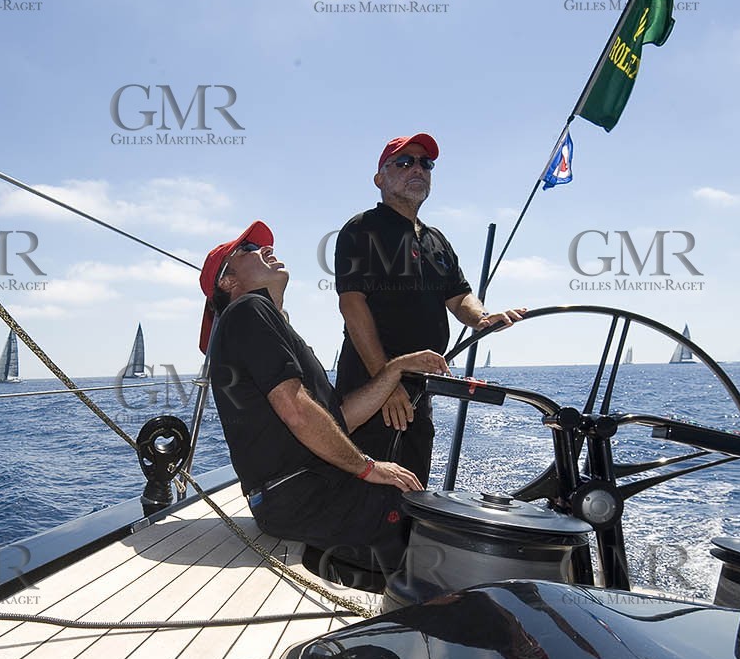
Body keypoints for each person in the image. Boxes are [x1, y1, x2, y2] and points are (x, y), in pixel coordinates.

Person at [199, 220, 448, 577]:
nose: (266, 250)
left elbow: (337, 418)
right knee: (433, 529)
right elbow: (295, 410)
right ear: (227, 281)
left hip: (303, 492)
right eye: (250, 250)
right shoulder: (248, 310)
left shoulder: (269, 323)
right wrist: (368, 467)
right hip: (299, 496)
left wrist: (393, 370)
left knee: (421, 508)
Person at [333, 132, 526, 485]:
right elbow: (352, 304)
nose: (418, 169)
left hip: (422, 386)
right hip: (371, 385)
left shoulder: (437, 240)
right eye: (404, 162)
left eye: (426, 163)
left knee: (411, 483)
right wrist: (385, 382)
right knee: (364, 495)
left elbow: (458, 296)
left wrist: (480, 318)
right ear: (380, 178)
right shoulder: (362, 230)